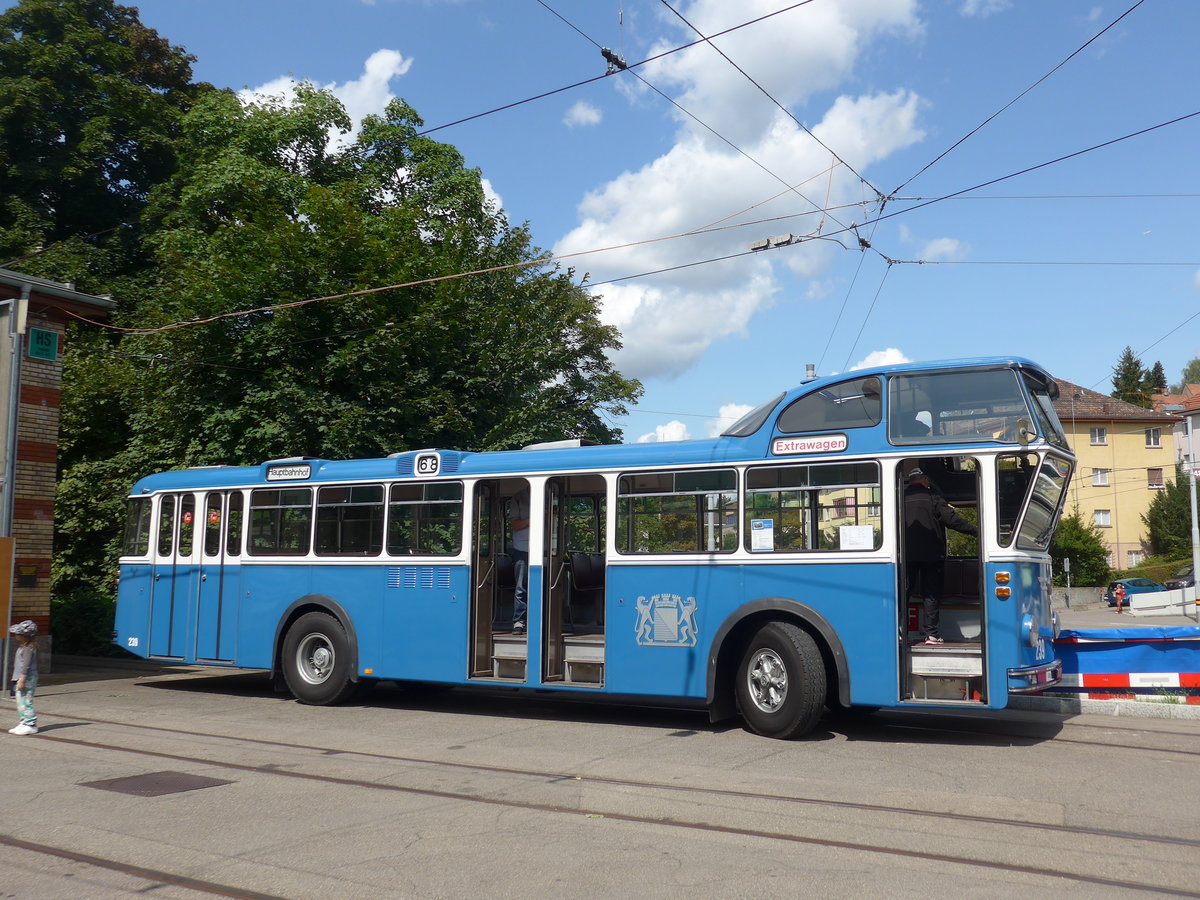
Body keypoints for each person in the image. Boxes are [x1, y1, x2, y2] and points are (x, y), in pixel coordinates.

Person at [904, 468, 978, 645]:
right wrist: (976, 531)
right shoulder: (932, 497)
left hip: (905, 555)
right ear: (925, 480)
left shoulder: (899, 499)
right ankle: (931, 635)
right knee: (930, 594)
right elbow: (952, 520)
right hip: (932, 554)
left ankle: (900, 632)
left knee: (903, 592)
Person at [8, 619, 38, 735]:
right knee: (20, 701)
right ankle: (24, 721)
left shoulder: (28, 648)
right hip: (21, 677)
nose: (15, 635)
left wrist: (22, 679)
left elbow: (26, 665)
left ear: (24, 636)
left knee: (26, 700)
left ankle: (31, 724)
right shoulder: (24, 646)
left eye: (17, 633)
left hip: (27, 678)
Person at [509, 487, 530, 635]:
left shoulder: (551, 494)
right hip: (522, 548)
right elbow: (515, 525)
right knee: (521, 587)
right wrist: (537, 517)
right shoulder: (518, 497)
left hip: (546, 548)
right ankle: (519, 621)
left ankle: (543, 618)